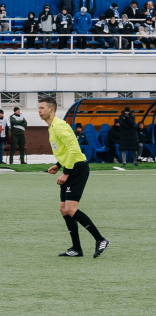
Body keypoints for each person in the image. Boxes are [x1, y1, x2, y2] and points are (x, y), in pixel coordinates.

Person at [39, 97, 108, 258]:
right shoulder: (52, 127)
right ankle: (76, 248)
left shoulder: (59, 126)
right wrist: (58, 164)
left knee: (70, 209)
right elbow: (65, 150)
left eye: (42, 108)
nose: (39, 110)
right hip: (71, 166)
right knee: (64, 209)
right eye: (39, 108)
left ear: (51, 109)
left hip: (77, 168)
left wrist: (66, 172)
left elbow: (72, 149)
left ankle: (101, 239)